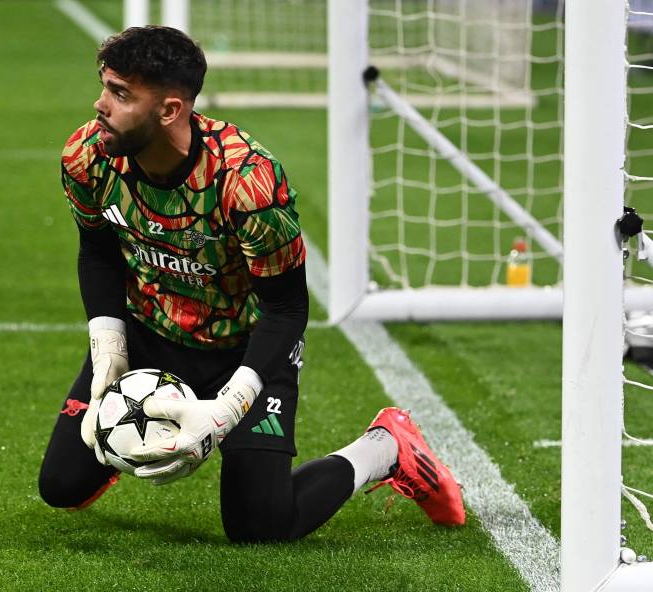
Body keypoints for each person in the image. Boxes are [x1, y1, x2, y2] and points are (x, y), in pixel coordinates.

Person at [38, 26, 465, 542]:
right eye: (105, 86)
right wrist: (109, 349)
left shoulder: (248, 183)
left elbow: (286, 308)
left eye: (121, 93)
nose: (100, 104)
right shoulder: (88, 156)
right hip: (149, 333)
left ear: (171, 110)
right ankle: (120, 433)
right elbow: (98, 250)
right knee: (60, 485)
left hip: (246, 350)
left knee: (260, 525)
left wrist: (228, 407)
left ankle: (385, 446)